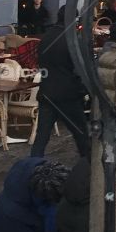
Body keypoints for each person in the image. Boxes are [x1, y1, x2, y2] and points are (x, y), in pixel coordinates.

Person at [32, 22, 90, 158]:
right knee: (81, 134)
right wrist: (83, 88)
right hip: (68, 94)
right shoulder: (72, 40)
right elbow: (80, 67)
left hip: (47, 92)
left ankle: (32, 167)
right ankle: (87, 167)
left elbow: (40, 62)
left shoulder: (45, 38)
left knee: (41, 137)